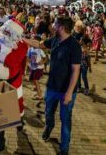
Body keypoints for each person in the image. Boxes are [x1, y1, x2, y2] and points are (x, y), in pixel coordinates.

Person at [24, 16, 81, 155]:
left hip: (67, 90)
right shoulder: (55, 39)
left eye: (55, 24)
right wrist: (22, 39)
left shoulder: (74, 45)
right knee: (49, 113)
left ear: (61, 27)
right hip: (52, 87)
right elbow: (39, 44)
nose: (52, 26)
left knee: (65, 119)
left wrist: (69, 93)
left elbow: (76, 71)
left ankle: (64, 149)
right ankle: (49, 127)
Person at [0, 18, 28, 154]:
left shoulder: (22, 46)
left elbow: (10, 61)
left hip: (12, 83)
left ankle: (19, 120)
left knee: (17, 107)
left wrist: (1, 48)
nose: (5, 34)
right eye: (5, 31)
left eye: (9, 33)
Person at [27, 35, 47, 100]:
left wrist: (42, 62)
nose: (31, 42)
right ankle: (37, 90)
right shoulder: (30, 49)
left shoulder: (40, 50)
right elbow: (28, 57)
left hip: (39, 68)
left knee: (36, 80)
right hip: (33, 67)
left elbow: (45, 58)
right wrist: (29, 61)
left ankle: (40, 95)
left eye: (33, 41)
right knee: (33, 80)